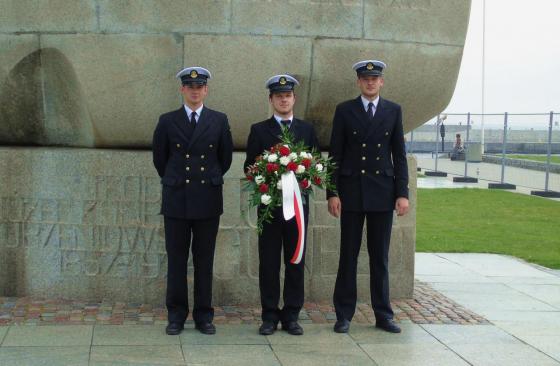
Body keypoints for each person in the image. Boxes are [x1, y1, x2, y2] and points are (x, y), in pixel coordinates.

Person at [327, 60, 409, 334]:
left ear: (381, 82)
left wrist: (402, 193)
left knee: (380, 258)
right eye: (365, 78)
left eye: (374, 78)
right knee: (347, 256)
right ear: (358, 82)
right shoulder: (345, 110)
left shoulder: (393, 111)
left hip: (382, 193)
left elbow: (399, 155)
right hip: (351, 192)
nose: (370, 82)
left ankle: (384, 315)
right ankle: (344, 314)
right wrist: (332, 192)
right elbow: (335, 155)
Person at [152, 66, 233, 335]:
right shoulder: (167, 120)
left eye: (200, 87)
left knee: (204, 261)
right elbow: (160, 160)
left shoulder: (219, 120)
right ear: (182, 89)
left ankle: (203, 315)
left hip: (207, 200)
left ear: (206, 90)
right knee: (176, 260)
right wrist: (175, 180)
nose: (195, 91)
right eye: (190, 87)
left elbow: (225, 159)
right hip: (176, 199)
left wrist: (209, 178)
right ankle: (176, 315)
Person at [244, 74, 320, 336]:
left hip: (298, 209)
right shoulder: (259, 130)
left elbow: (316, 166)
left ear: (294, 99)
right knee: (268, 263)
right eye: (279, 96)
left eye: (287, 96)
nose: (283, 99)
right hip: (269, 208)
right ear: (271, 99)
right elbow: (249, 168)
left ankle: (291, 315)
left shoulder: (306, 130)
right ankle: (269, 316)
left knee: (295, 260)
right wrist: (266, 172)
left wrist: (305, 175)